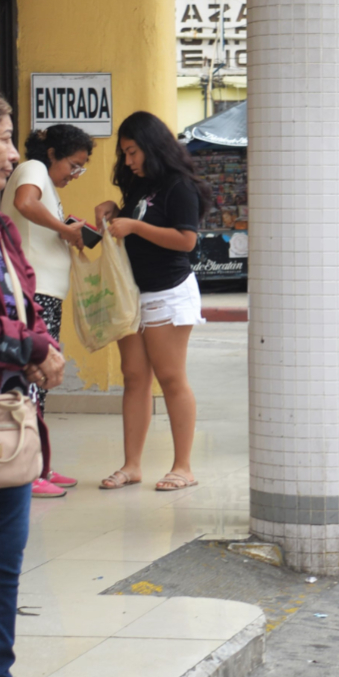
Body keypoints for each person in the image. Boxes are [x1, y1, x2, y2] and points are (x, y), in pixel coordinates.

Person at [0, 92, 75, 677]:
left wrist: (38, 344)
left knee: (6, 562)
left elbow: (20, 283)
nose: (15, 154)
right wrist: (32, 346)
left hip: (5, 411)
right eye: (3, 137)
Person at [94, 111, 212, 490]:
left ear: (151, 146)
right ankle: (131, 465)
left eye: (132, 152)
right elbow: (133, 224)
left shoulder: (180, 186)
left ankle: (183, 467)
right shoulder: (138, 186)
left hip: (168, 291)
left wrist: (135, 225)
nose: (127, 161)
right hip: (134, 294)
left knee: (171, 377)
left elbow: (186, 240)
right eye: (124, 154)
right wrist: (115, 209)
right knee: (134, 378)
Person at [2, 124, 94, 498]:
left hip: (44, 293)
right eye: (73, 165)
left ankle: (39, 463)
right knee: (35, 378)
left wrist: (63, 229)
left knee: (42, 380)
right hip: (33, 292)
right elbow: (25, 203)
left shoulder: (46, 182)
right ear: (52, 153)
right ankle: (30, 469)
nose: (74, 174)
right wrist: (64, 228)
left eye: (81, 169)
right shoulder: (35, 169)